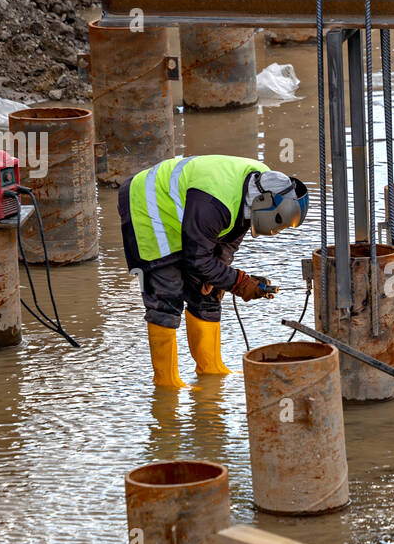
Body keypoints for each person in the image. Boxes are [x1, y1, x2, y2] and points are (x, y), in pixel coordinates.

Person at [117, 154, 308, 387]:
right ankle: (166, 384)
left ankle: (210, 369)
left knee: (207, 292)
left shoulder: (261, 183)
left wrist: (222, 275)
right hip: (148, 205)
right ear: (264, 202)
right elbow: (197, 259)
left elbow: (228, 239)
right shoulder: (214, 202)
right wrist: (238, 283)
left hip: (191, 215)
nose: (276, 230)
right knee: (166, 296)